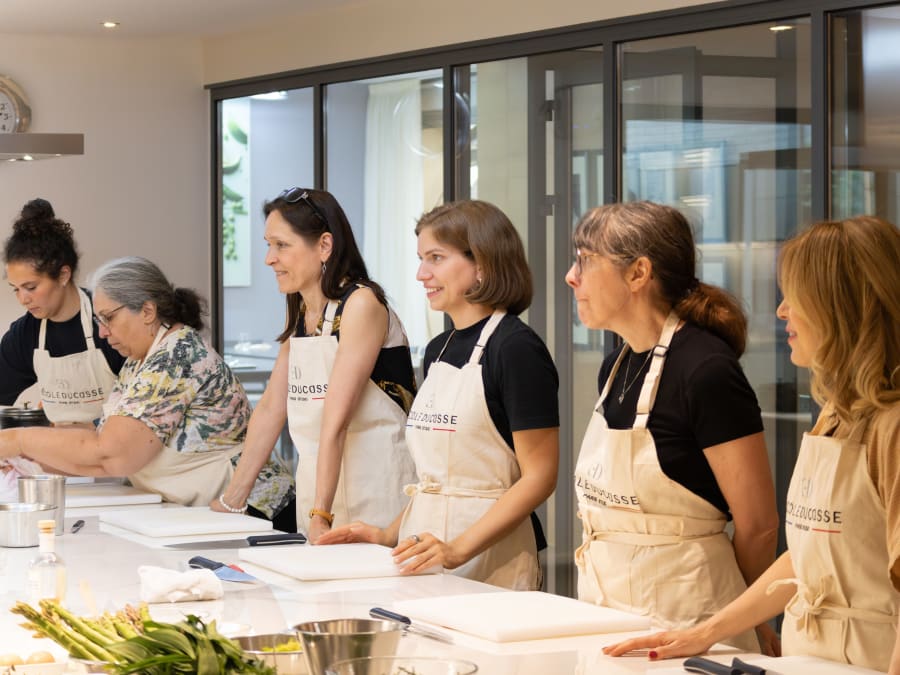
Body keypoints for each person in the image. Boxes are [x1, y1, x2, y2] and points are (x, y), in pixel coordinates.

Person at [604, 216, 900, 672]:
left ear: (840, 306)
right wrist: (703, 633)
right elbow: (804, 558)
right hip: (812, 655)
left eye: (795, 297)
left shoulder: (892, 427)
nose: (782, 312)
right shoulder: (835, 414)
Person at [564, 201, 779, 653]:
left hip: (693, 617)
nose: (571, 276)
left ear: (638, 273)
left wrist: (748, 614)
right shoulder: (615, 366)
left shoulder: (706, 369)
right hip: (606, 609)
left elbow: (758, 524)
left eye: (585, 260)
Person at [319, 200, 560, 591]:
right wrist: (386, 534)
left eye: (436, 258)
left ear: (482, 263)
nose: (421, 274)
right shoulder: (437, 349)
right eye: (420, 259)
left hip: (491, 558)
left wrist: (458, 550)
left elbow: (539, 477)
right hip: (421, 550)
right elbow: (437, 481)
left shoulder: (516, 348)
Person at [0, 256, 294, 523]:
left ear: (147, 311)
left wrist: (19, 441)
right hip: (203, 510)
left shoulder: (176, 356)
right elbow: (100, 437)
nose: (103, 332)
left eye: (109, 318)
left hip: (254, 511)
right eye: (98, 321)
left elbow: (113, 455)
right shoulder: (137, 362)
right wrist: (30, 460)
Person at [213, 187, 417, 541]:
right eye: (268, 245)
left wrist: (322, 513)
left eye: (281, 245)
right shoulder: (304, 315)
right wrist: (233, 500)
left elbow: (334, 420)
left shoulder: (361, 304)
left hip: (378, 495)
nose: (269, 259)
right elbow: (270, 412)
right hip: (319, 495)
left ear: (324, 245)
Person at [0, 199, 124, 424]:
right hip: (60, 453)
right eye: (15, 290)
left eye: (31, 287)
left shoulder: (109, 321)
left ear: (63, 275)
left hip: (119, 451)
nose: (23, 299)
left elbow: (144, 408)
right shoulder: (25, 334)